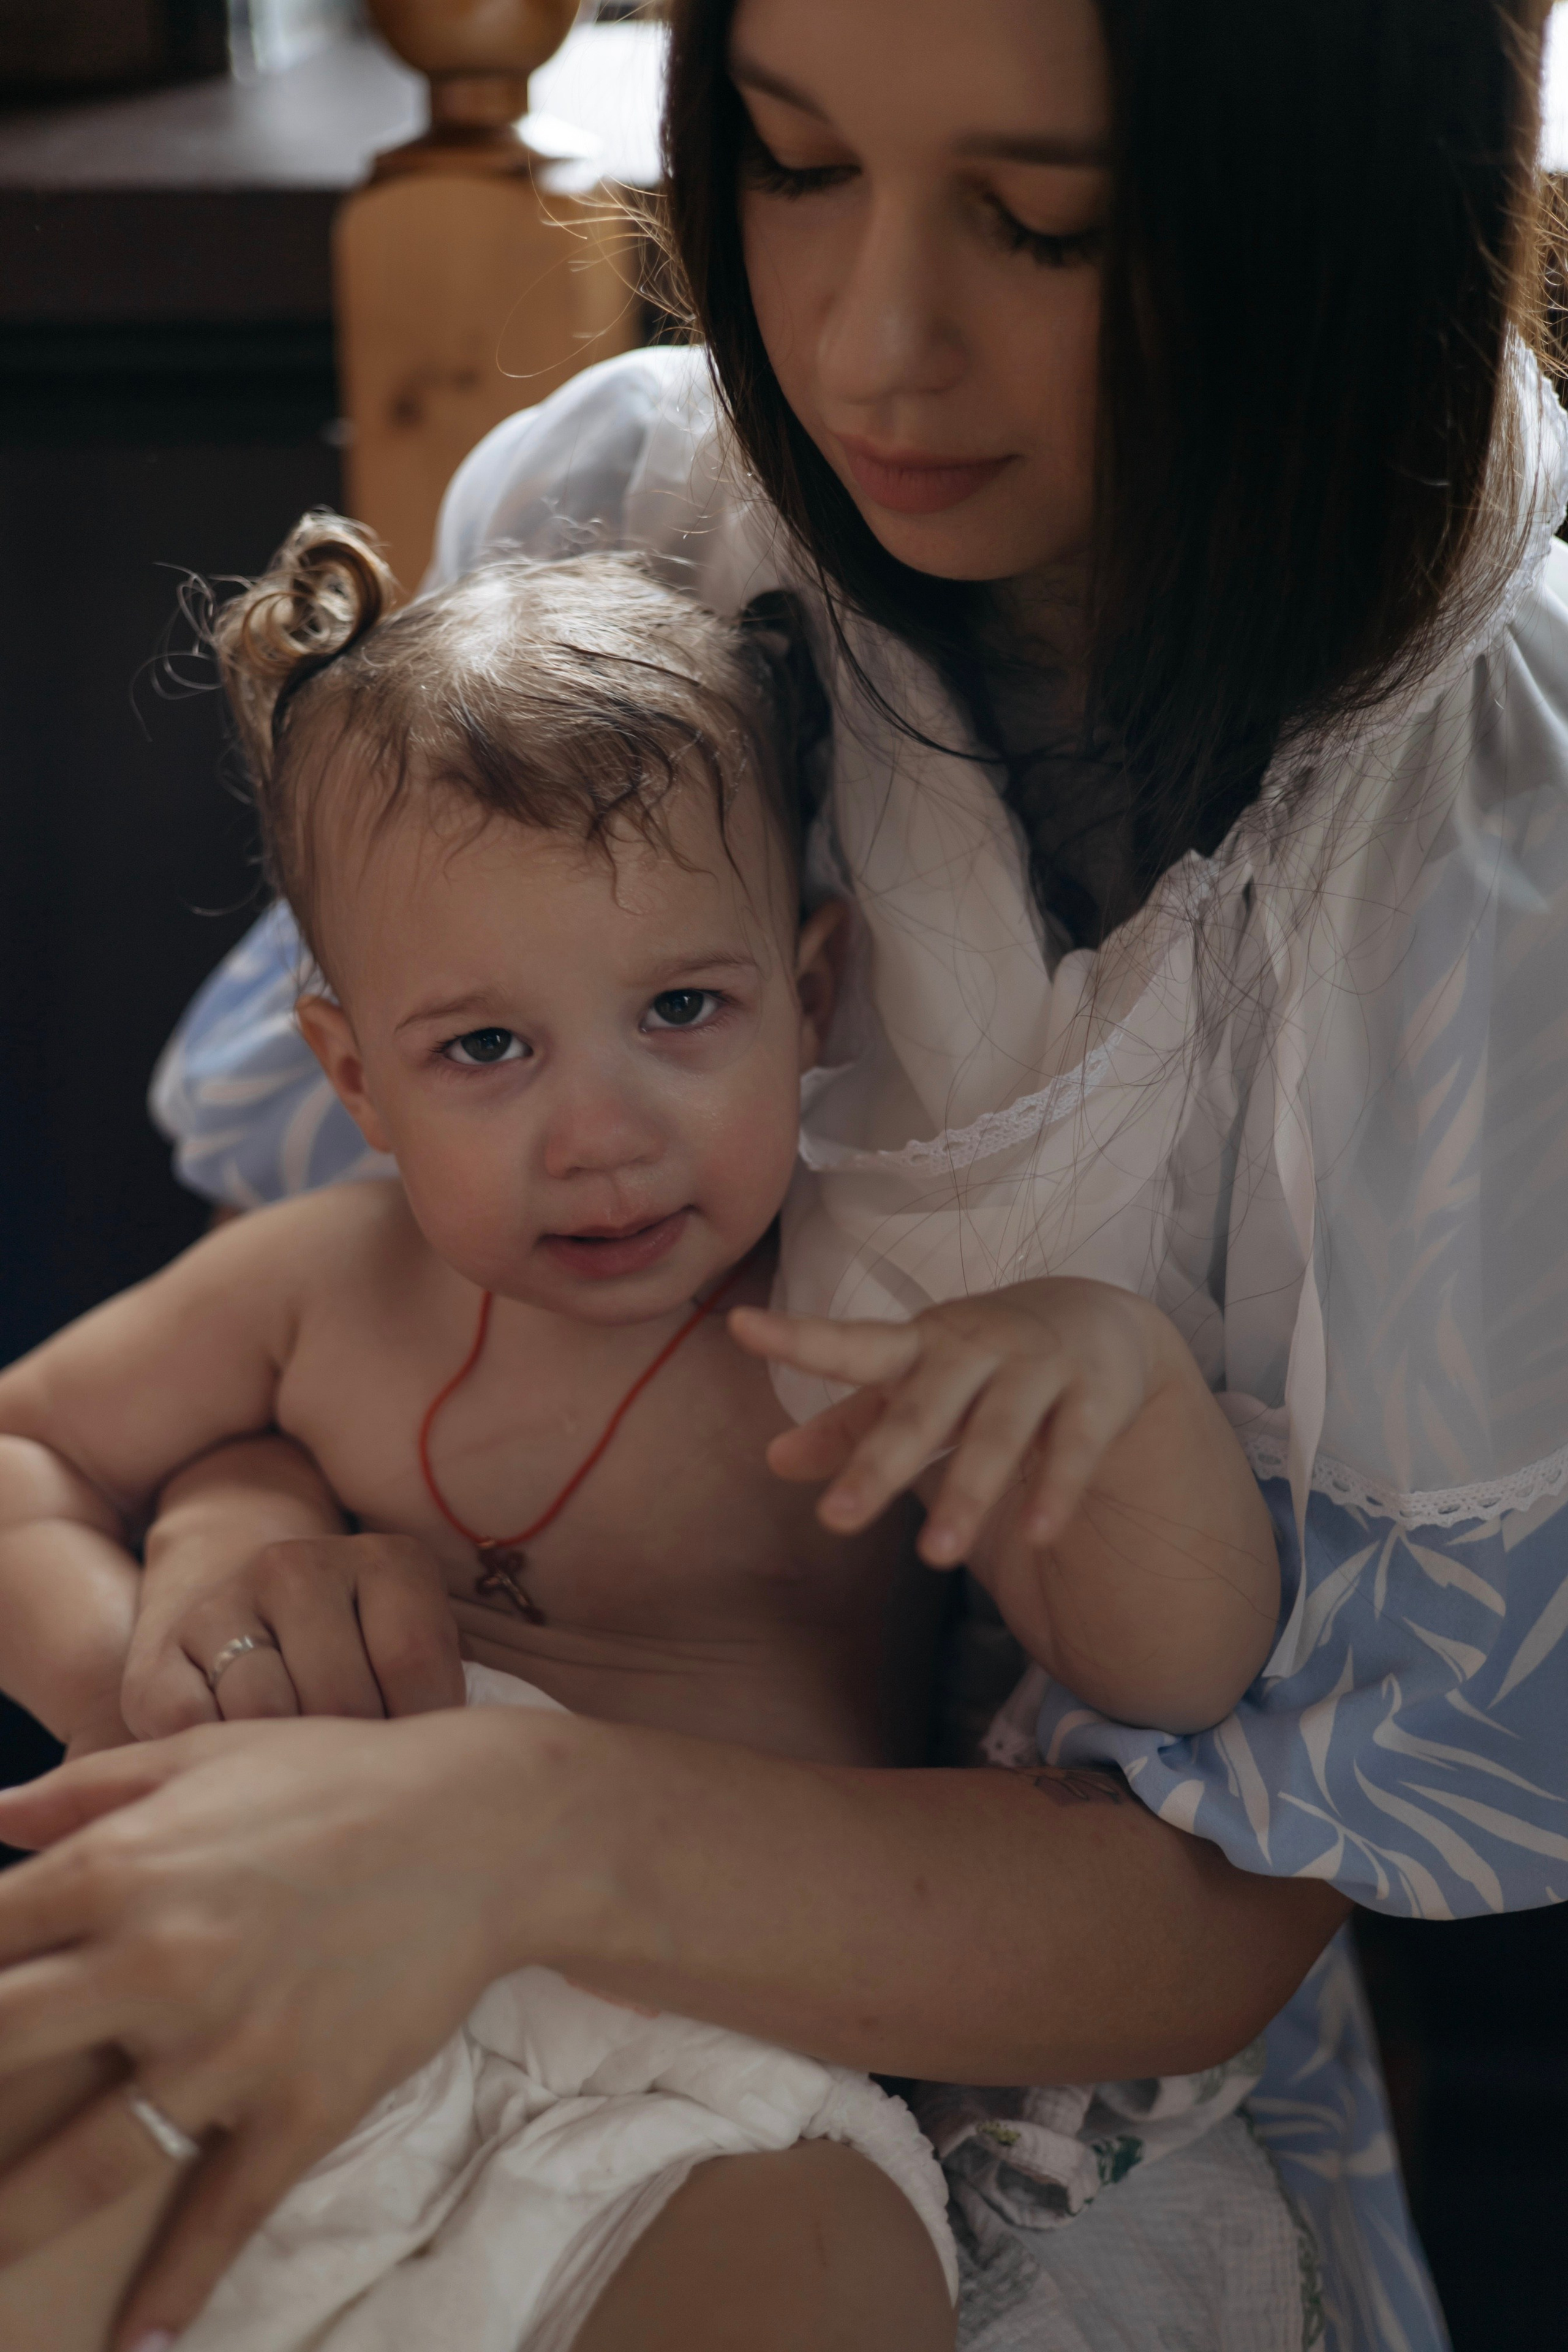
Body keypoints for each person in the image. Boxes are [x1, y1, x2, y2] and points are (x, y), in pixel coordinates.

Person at [1, 0, 1562, 2346]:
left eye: (1048, 222)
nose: (862, 348)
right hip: (340, 1863)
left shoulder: (1481, 863)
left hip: (925, 2027)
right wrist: (226, 1568)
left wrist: (1110, 1399)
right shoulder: (624, 529)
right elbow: (259, 1333)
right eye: (788, 156)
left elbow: (1232, 1842)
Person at [0, 518, 1286, 2346]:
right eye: (485, 1053)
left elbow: (1180, 1671)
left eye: (682, 1012)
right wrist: (136, 1693)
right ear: (352, 1072)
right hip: (261, 1970)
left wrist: (1118, 1388)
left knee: (820, 2274)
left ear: (812, 995)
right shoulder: (315, 1289)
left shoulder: (861, 1334)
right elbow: (25, 1458)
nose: (601, 1132)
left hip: (701, 2073)